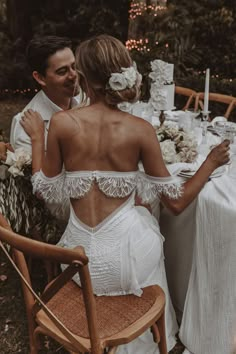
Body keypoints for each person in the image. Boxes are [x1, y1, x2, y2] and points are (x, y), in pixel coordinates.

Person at [21, 34, 230, 353]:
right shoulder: (139, 129)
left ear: (84, 77)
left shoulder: (62, 123)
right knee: (147, 220)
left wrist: (38, 138)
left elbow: (45, 189)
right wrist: (210, 162)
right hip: (126, 267)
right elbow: (176, 202)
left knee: (140, 211)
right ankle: (143, 336)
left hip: (77, 265)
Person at [10, 35, 84, 152]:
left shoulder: (90, 100)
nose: (73, 75)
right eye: (62, 71)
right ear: (40, 78)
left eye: (74, 66)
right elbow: (35, 170)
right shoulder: (24, 125)